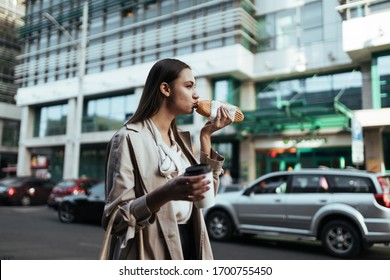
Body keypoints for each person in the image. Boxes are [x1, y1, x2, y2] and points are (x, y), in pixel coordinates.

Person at [102, 58, 233, 260]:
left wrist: (206, 137)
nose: (196, 94)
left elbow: (205, 199)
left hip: (191, 244)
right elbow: (115, 220)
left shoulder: (181, 141)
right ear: (165, 89)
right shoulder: (127, 139)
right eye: (189, 86)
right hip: (150, 250)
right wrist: (166, 193)